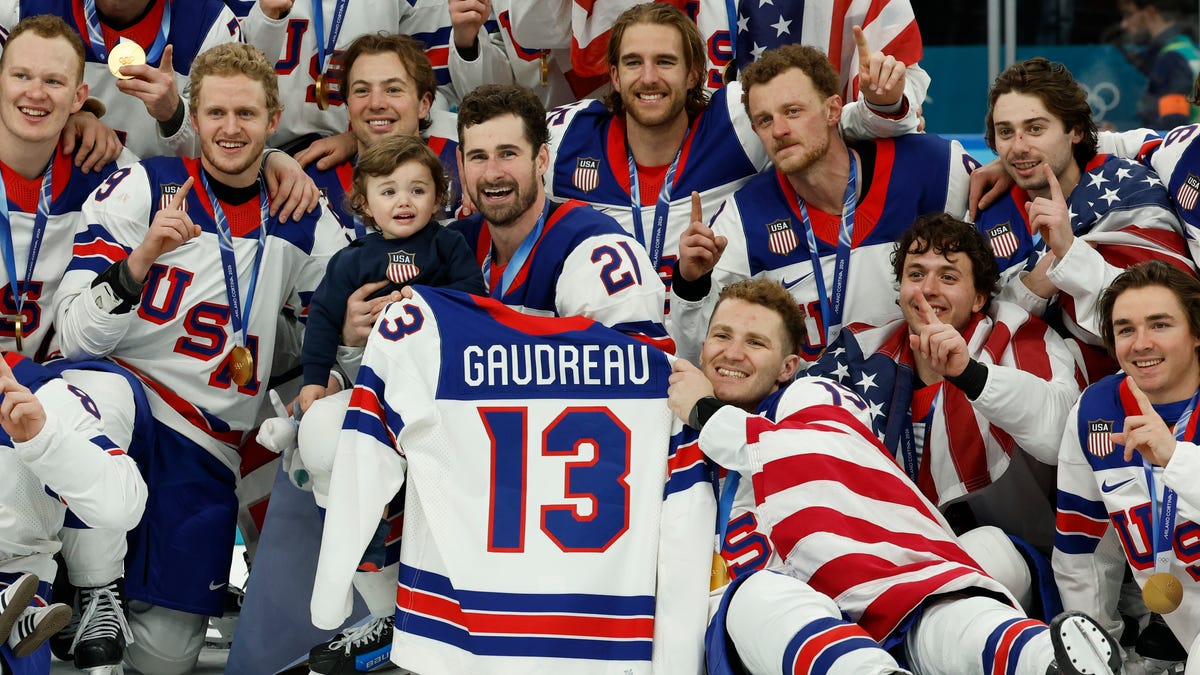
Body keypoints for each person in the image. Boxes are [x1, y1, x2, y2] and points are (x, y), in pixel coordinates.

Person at [51, 41, 345, 675]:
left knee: (166, 658)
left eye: (246, 115)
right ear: (195, 116)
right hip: (126, 405)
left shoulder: (300, 212)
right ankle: (89, 583)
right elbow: (73, 338)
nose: (230, 129)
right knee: (87, 398)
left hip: (209, 443)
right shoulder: (143, 186)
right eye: (215, 114)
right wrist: (137, 264)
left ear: (273, 119)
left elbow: (345, 330)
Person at [667, 277, 1124, 675]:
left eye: (755, 342)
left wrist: (706, 414)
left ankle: (1045, 660)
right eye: (721, 335)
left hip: (869, 576)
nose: (733, 352)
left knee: (955, 581)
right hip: (773, 633)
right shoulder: (667, 440)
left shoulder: (812, 394)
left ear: (788, 367)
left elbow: (807, 449)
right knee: (759, 596)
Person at [310, 286, 714, 674]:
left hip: (460, 625)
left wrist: (330, 595)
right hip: (601, 633)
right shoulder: (663, 376)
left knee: (322, 431)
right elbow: (685, 522)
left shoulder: (423, 328)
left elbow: (363, 449)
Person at [540, 2, 919, 316]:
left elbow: (825, 123)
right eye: (634, 62)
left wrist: (881, 102)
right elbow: (496, 148)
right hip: (607, 356)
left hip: (708, 344)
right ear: (615, 76)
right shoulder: (566, 136)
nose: (649, 77)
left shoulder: (736, 121)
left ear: (694, 76)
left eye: (666, 62)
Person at [668, 43, 974, 364]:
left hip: (924, 391)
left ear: (832, 110)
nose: (780, 130)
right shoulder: (744, 215)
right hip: (807, 406)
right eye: (764, 120)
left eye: (793, 111)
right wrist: (691, 283)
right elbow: (696, 351)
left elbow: (997, 277)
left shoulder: (934, 167)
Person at [807, 214, 1081, 557]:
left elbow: (1057, 436)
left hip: (1013, 555)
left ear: (980, 298)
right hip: (888, 550)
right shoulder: (861, 350)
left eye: (948, 277)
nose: (928, 289)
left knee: (983, 550)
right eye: (916, 274)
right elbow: (792, 420)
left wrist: (970, 374)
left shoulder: (1018, 336)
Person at [974, 57, 1194, 381]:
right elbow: (978, 329)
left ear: (1074, 131)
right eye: (1005, 132)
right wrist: (1034, 285)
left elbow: (1171, 317)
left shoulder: (1131, 189)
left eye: (1035, 128)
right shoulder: (988, 211)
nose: (1018, 147)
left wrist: (1069, 253)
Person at [1055, 260, 1200, 674]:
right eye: (1125, 329)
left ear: (1196, 334)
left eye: (1159, 325)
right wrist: (1098, 651)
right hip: (1174, 628)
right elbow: (1082, 549)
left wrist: (1175, 457)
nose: (1140, 344)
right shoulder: (1096, 409)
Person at [299, 134, 484, 414]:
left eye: (418, 191)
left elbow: (475, 292)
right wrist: (314, 378)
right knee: (324, 422)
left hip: (444, 370)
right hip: (376, 376)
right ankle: (292, 426)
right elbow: (322, 317)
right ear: (365, 205)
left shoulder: (448, 243)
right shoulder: (351, 259)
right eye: (388, 192)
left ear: (437, 199)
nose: (404, 202)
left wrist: (424, 298)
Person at [0, 351, 147, 675]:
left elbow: (123, 501)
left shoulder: (34, 391)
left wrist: (44, 441)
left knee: (164, 654)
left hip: (16, 592)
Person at [0, 0, 244, 159]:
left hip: (160, 203)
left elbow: (231, 149)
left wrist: (174, 114)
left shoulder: (213, 23)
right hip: (46, 186)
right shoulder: (17, 7)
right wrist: (68, 115)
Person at [237, 0, 458, 153]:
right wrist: (266, 21)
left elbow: (433, 92)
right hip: (264, 156)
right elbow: (223, 87)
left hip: (371, 153)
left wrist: (362, 138)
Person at [304, 32, 464, 234]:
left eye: (393, 89)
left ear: (423, 105)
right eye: (362, 90)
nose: (376, 103)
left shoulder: (464, 166)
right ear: (347, 107)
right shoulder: (309, 184)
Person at [1117, 0, 1200, 129]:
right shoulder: (1187, 49)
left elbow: (1171, 129)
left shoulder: (1171, 59)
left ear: (1150, 11)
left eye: (1129, 14)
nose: (1124, 24)